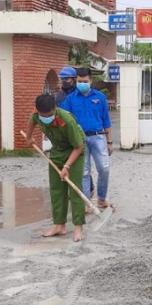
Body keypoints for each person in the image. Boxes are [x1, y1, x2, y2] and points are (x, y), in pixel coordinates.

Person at [23, 94, 86, 242]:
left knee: (75, 189)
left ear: (54, 109)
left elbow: (78, 146)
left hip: (74, 152)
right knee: (57, 189)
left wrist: (66, 166)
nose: (45, 118)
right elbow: (32, 121)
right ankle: (59, 225)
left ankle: (78, 227)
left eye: (49, 115)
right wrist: (29, 137)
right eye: (42, 115)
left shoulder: (67, 120)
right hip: (57, 151)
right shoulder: (38, 115)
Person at [61, 67, 113, 209]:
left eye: (85, 81)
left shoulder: (100, 97)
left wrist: (109, 142)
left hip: (98, 137)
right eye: (79, 81)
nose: (82, 83)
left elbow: (106, 120)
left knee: (104, 168)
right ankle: (86, 203)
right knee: (84, 172)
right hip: (79, 140)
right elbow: (66, 122)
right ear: (75, 81)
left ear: (91, 81)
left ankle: (101, 199)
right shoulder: (70, 100)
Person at [56, 66, 96, 199]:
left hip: (79, 132)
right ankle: (72, 189)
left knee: (82, 164)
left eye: (66, 79)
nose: (64, 81)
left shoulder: (79, 94)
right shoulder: (60, 96)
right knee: (69, 162)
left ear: (74, 79)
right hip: (64, 132)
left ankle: (88, 189)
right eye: (62, 79)